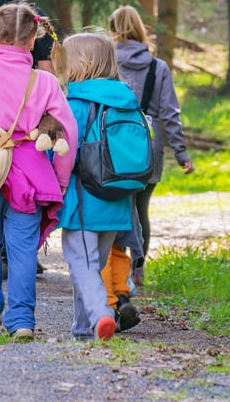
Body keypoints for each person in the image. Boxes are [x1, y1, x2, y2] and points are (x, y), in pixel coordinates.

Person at [0, 2, 77, 340]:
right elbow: (69, 132)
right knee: (22, 248)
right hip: (30, 175)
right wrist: (61, 181)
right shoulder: (45, 81)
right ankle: (22, 320)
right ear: (35, 38)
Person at [103, 5, 194, 302]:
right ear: (141, 28)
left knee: (118, 206)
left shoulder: (107, 62)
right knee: (141, 208)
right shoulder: (158, 67)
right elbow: (169, 113)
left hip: (113, 145)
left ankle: (115, 269)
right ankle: (138, 267)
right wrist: (180, 154)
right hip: (148, 146)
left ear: (112, 28)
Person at [58, 32, 141, 341]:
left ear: (82, 64)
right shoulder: (126, 101)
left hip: (84, 201)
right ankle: (83, 327)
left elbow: (65, 151)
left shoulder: (76, 104)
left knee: (82, 263)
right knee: (93, 265)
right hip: (118, 202)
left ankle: (101, 315)